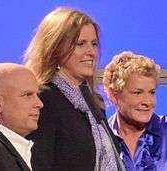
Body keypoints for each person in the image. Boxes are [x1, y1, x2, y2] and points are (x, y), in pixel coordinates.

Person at [24, 7, 124, 171]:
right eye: (80, 44)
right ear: (55, 48)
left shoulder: (94, 102)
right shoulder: (43, 99)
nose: (91, 52)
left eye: (94, 44)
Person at [103, 51, 167, 170]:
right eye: (137, 93)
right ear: (114, 95)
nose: (148, 102)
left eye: (152, 92)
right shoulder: (101, 139)